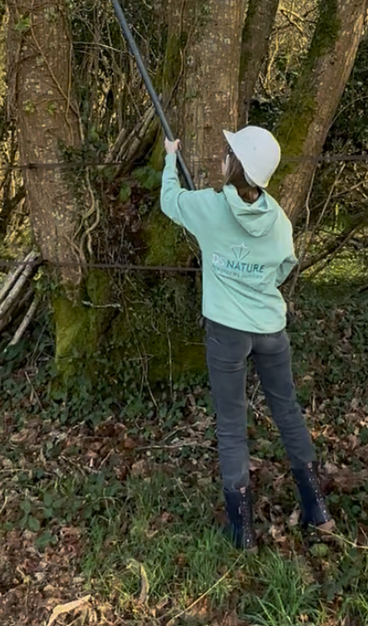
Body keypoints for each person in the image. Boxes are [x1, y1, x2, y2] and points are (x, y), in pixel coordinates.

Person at [160, 125, 334, 549]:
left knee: (233, 424)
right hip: (270, 329)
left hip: (226, 333)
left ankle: (242, 531)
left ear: (233, 165)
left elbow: (170, 201)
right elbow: (284, 265)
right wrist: (256, 283)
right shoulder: (277, 219)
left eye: (227, 152)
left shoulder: (208, 207)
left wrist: (170, 159)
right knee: (288, 411)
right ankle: (317, 508)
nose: (223, 156)